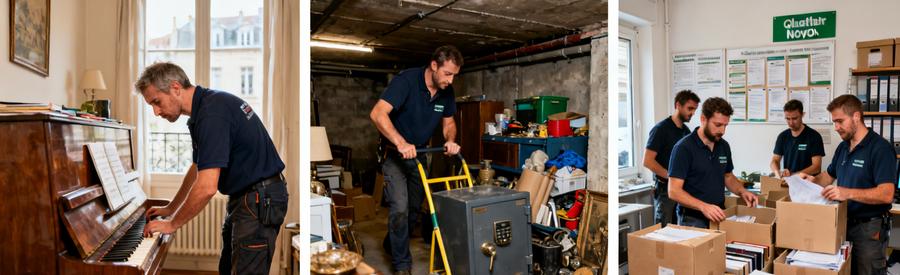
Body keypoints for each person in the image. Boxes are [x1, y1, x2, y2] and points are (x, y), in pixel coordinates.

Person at [137, 62, 288, 275]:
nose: (155, 112)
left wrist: (172, 224)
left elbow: (207, 187)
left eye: (157, 102)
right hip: (247, 197)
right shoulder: (202, 111)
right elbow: (198, 168)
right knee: (227, 269)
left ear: (175, 88)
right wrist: (172, 208)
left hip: (259, 199)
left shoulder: (212, 113)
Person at [369, 45, 463, 275]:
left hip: (420, 156)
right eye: (447, 74)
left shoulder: (446, 92)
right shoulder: (406, 82)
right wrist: (400, 142)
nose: (450, 81)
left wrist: (450, 140)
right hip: (394, 155)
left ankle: (392, 243)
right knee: (399, 208)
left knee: (413, 211)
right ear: (434, 66)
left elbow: (449, 123)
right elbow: (377, 113)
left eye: (454, 76)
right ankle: (402, 265)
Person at [797, 94, 896, 275]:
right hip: (843, 224)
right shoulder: (843, 147)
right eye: (834, 122)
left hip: (869, 231)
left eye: (840, 121)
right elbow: (829, 175)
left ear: (856, 117)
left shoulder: (880, 148)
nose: (836, 127)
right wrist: (812, 180)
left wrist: (846, 193)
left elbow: (886, 193)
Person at [668, 97, 758, 228]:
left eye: (725, 125)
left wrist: (742, 191)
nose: (722, 131)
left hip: (719, 214)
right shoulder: (683, 148)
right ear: (703, 119)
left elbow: (728, 176)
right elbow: (674, 191)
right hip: (693, 218)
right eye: (718, 125)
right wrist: (703, 207)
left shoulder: (723, 146)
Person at [643, 90, 699, 226]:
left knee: (679, 229)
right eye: (690, 108)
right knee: (664, 229)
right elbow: (647, 161)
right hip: (664, 190)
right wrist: (672, 177)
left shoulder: (686, 132)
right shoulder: (661, 129)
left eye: (695, 109)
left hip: (682, 189)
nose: (692, 113)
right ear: (678, 105)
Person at [770, 99, 825, 178]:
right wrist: (777, 172)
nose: (791, 123)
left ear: (802, 114)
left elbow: (816, 167)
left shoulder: (814, 136)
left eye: (794, 118)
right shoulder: (783, 136)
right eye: (788, 119)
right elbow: (775, 160)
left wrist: (794, 175)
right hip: (789, 183)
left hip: (808, 184)